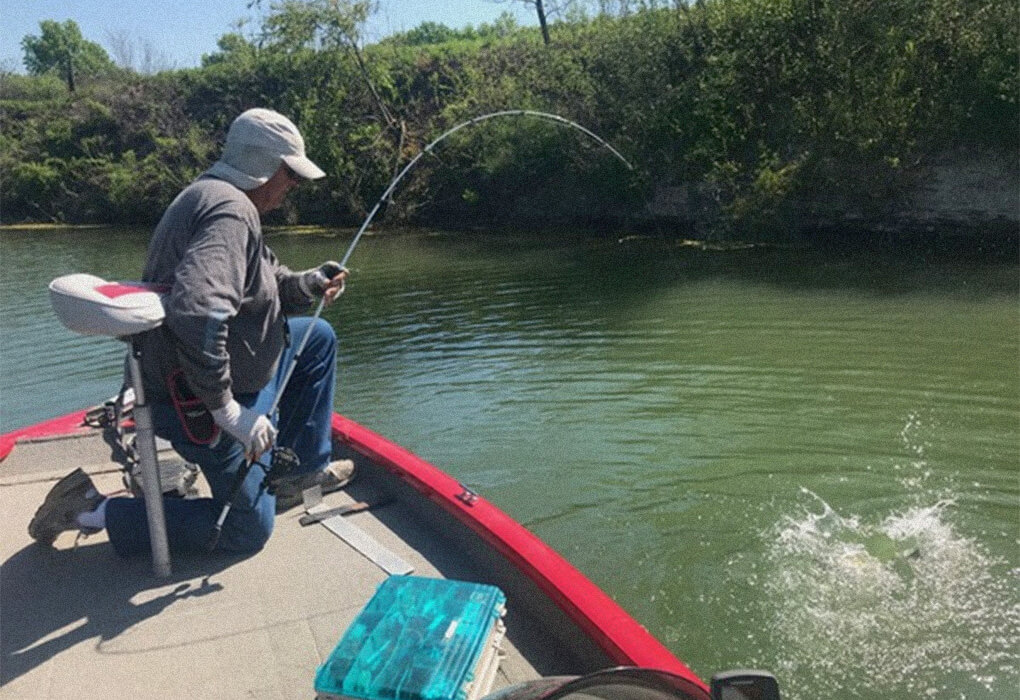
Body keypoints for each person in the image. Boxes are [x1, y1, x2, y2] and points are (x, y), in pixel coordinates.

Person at [29, 108, 352, 555]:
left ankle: (295, 473)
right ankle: (90, 509)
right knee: (247, 531)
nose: (294, 185)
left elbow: (268, 282)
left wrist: (311, 283)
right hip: (198, 401)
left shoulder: (223, 201)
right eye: (289, 173)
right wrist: (228, 414)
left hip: (244, 374)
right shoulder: (230, 212)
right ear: (262, 166)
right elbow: (199, 312)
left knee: (315, 339)